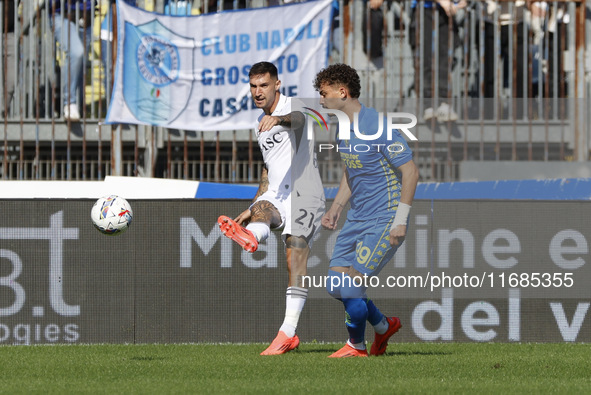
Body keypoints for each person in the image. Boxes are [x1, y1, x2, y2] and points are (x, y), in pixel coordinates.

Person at [217, 61, 325, 356]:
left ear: (278, 84)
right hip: (278, 193)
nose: (257, 92)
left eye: (263, 85)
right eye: (253, 86)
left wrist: (278, 120)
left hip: (306, 193)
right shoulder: (259, 124)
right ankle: (251, 234)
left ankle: (287, 332)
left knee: (294, 257)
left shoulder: (295, 107)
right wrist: (252, 207)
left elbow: (301, 122)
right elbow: (267, 172)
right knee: (263, 205)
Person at [313, 63, 419, 357]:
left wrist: (400, 221)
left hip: (384, 219)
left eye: (324, 94)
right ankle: (384, 328)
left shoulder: (375, 124)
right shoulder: (343, 129)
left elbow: (410, 173)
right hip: (356, 218)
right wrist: (336, 207)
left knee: (350, 287)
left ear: (342, 92)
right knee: (335, 285)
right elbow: (352, 169)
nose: (321, 101)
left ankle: (356, 346)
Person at [409, 0, 466, 122]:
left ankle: (444, 104)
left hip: (446, 13)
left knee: (445, 60)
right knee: (426, 60)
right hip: (424, 10)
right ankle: (428, 106)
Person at [50, 0, 94, 122]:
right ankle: (69, 102)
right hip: (62, 14)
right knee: (76, 52)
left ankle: (78, 108)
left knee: (80, 64)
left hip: (86, 17)